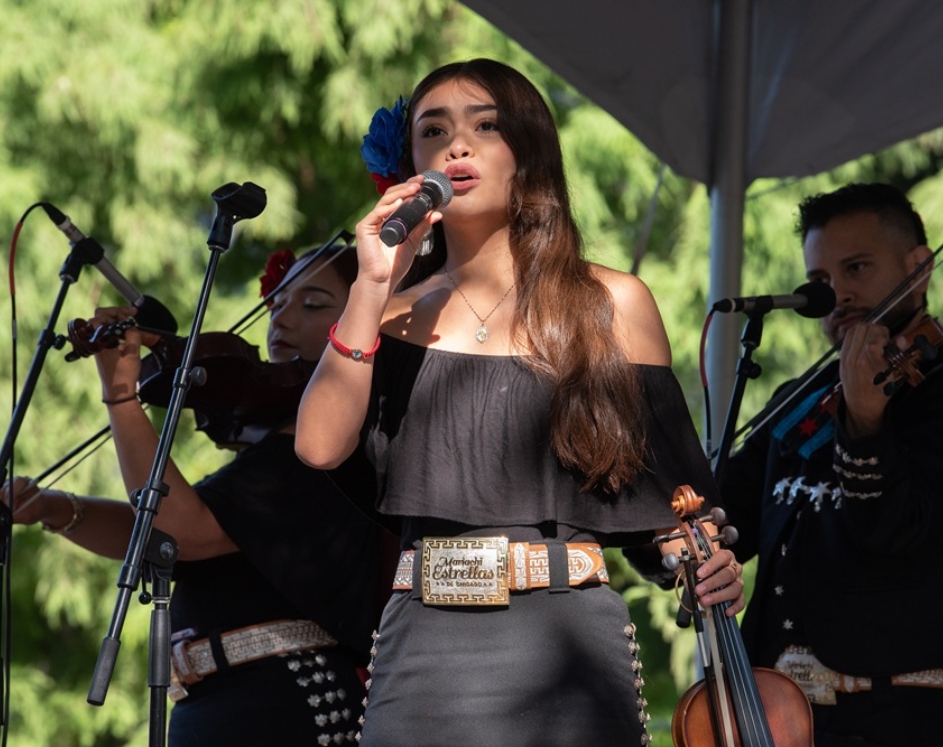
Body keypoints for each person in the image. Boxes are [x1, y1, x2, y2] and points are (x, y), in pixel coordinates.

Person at [294, 58, 745, 746]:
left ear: (528, 152)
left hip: (569, 643)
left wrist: (700, 558)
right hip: (428, 650)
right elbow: (318, 445)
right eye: (433, 130)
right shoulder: (390, 314)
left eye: (486, 126)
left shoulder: (613, 305)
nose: (457, 145)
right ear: (410, 163)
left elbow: (666, 497)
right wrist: (369, 286)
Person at [1, 244, 387, 746]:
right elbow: (156, 535)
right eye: (278, 304)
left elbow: (180, 531)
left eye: (312, 304)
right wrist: (55, 510)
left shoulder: (323, 457)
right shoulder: (275, 455)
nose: (282, 319)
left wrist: (121, 397)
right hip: (233, 707)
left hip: (282, 706)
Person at [719, 183, 943, 746]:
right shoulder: (801, 395)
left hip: (892, 718)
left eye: (856, 269)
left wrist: (864, 424)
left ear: (919, 267)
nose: (839, 297)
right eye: (822, 282)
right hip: (775, 721)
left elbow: (893, 532)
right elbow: (726, 520)